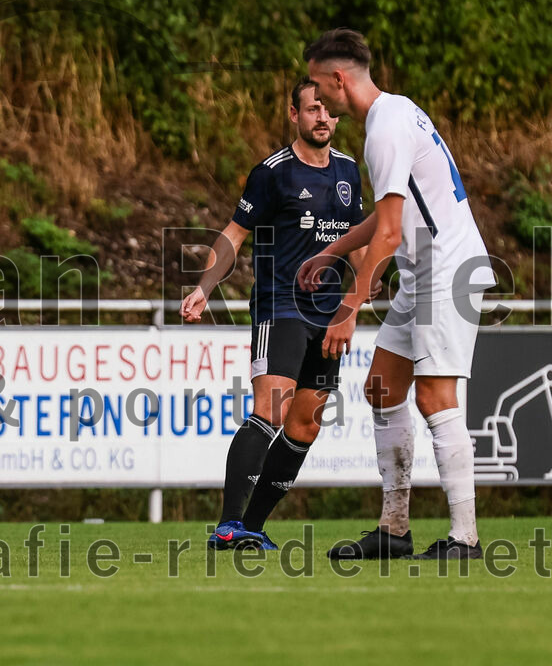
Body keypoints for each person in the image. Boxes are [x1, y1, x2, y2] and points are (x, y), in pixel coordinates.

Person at [300, 28, 495, 560]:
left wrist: (347, 309)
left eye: (319, 86)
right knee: (383, 388)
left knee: (435, 397)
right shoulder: (398, 110)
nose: (317, 98)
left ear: (339, 79)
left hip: (445, 271)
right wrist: (333, 251)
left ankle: (465, 538)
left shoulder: (383, 128)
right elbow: (390, 217)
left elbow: (388, 233)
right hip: (424, 272)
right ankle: (394, 528)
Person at [181, 76, 368, 550]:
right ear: (294, 115)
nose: (323, 118)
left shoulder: (348, 170)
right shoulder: (272, 172)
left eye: (329, 111)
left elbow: (358, 246)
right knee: (271, 409)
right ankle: (227, 524)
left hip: (328, 315)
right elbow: (233, 236)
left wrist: (364, 291)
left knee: (304, 424)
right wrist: (206, 286)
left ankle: (254, 527)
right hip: (280, 308)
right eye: (312, 110)